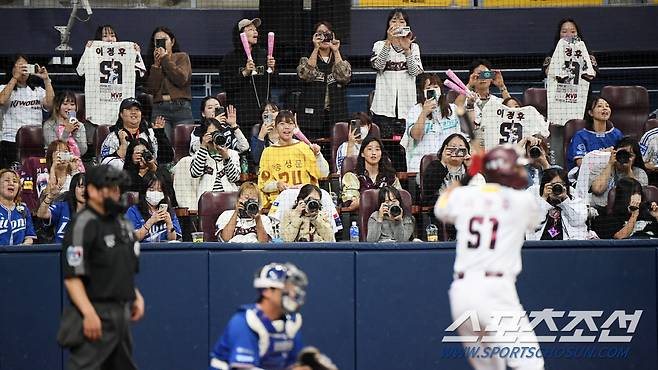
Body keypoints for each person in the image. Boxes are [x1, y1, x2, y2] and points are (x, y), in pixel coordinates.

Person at [434, 145, 545, 370]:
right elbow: (535, 215)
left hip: (461, 293)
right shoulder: (521, 202)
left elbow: (440, 207)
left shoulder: (465, 196)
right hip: (496, 291)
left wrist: (467, 176)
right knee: (530, 364)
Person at [58, 164, 144, 369]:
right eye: (109, 188)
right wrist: (88, 313)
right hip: (95, 312)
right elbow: (72, 277)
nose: (115, 193)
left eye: (117, 189)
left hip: (122, 313)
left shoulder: (122, 223)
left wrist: (135, 294)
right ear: (93, 191)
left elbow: (123, 268)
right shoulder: (82, 224)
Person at [209, 262, 308, 370]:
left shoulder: (290, 324)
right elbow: (243, 368)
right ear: (266, 291)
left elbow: (293, 366)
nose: (292, 294)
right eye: (286, 288)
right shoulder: (246, 321)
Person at [258, 110, 329, 208]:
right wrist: (277, 185)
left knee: (326, 196)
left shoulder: (304, 148)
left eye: (290, 123)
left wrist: (317, 155)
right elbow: (263, 185)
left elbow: (324, 174)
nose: (286, 127)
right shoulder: (268, 152)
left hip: (306, 199)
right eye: (282, 124)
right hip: (282, 200)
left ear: (294, 127)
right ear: (275, 126)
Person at [370, 8, 423, 138]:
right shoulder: (379, 45)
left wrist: (407, 50)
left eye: (401, 21)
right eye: (394, 21)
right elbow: (378, 65)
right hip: (383, 108)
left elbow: (415, 71)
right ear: (388, 25)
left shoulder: (414, 47)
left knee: (406, 146)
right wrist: (388, 42)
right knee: (385, 147)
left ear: (407, 26)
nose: (397, 24)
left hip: (407, 108)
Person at [296, 21, 351, 139]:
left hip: (336, 116)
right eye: (320, 34)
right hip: (311, 118)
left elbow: (345, 77)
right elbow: (305, 75)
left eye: (327, 34)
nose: (324, 37)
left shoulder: (340, 57)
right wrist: (315, 49)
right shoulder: (306, 57)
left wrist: (336, 51)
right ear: (314, 37)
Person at [220, 18, 277, 131]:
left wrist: (272, 69)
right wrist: (244, 73)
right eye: (250, 29)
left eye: (256, 29)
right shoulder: (230, 58)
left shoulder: (264, 54)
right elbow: (226, 85)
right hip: (241, 116)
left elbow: (275, 82)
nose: (255, 32)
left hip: (265, 115)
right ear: (241, 34)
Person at [403, 73, 466, 173]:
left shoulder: (453, 110)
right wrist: (424, 112)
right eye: (428, 87)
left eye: (436, 87)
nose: (432, 90)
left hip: (450, 165)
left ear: (441, 90)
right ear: (422, 92)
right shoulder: (415, 110)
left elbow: (464, 135)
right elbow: (416, 135)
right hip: (420, 166)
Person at [0, 54, 54, 169]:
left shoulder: (37, 90)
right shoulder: (3, 88)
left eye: (26, 66)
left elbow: (50, 105)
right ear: (12, 69)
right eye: (20, 66)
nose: (23, 70)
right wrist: (15, 78)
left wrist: (46, 79)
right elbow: (2, 100)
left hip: (35, 141)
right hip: (11, 141)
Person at [146, 26, 193, 139]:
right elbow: (152, 89)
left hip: (182, 108)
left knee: (185, 144)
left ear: (172, 42)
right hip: (160, 110)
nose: (161, 43)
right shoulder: (151, 62)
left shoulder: (182, 57)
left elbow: (181, 79)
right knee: (162, 145)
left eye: (164, 40)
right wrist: (156, 66)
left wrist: (165, 59)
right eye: (157, 41)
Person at [101, 97, 173, 168]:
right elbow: (106, 164)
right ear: (121, 114)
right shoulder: (114, 137)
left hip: (149, 175)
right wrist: (123, 146)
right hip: (123, 176)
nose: (133, 112)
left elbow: (167, 159)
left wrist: (160, 135)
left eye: (137, 109)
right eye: (129, 109)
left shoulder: (151, 134)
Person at [526, 168, 589, 240]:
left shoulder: (573, 195)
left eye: (561, 185)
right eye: (552, 185)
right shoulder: (534, 193)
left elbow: (578, 221)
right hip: (540, 245)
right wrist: (544, 199)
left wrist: (565, 200)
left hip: (569, 245)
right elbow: (533, 224)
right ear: (545, 185)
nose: (557, 187)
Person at [341, 136, 400, 211]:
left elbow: (399, 199)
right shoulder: (353, 176)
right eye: (369, 149)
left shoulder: (390, 177)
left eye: (377, 149)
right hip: (362, 217)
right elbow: (351, 205)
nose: (374, 153)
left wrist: (366, 200)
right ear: (362, 153)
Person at [589, 136, 648, 209]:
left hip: (624, 211)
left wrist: (628, 170)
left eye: (629, 155)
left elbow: (635, 197)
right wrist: (610, 164)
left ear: (636, 158)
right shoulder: (601, 166)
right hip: (598, 210)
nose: (624, 156)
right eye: (621, 153)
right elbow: (597, 189)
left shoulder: (640, 173)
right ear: (615, 152)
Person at [421, 133, 478, 207]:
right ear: (445, 149)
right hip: (441, 208)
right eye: (453, 147)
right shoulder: (435, 165)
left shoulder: (469, 168)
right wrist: (443, 162)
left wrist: (470, 168)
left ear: (466, 151)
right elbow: (428, 191)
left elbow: (477, 192)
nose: (456, 150)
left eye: (460, 148)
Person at [566, 96, 623, 170]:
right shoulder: (580, 136)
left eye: (607, 106)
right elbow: (581, 163)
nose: (605, 108)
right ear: (591, 113)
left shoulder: (617, 134)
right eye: (599, 106)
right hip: (588, 175)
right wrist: (602, 154)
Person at [190, 118, 241, 199]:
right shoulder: (199, 154)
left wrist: (226, 157)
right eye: (211, 134)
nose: (214, 136)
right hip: (206, 201)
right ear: (204, 135)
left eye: (216, 133)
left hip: (228, 200)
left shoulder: (232, 154)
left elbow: (234, 178)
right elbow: (195, 173)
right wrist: (203, 147)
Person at [591, 177, 656, 239]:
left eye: (639, 193)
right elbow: (620, 237)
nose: (637, 198)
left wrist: (656, 216)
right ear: (623, 197)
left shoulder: (646, 211)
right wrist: (634, 215)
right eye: (633, 194)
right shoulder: (608, 219)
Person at [125, 171, 181, 242]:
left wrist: (169, 223)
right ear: (144, 191)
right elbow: (132, 238)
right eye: (151, 190)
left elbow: (173, 240)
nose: (155, 193)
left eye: (160, 190)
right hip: (144, 251)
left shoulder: (169, 211)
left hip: (164, 250)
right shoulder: (133, 211)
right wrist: (150, 222)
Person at [36, 173, 86, 243]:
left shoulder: (98, 212)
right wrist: (50, 196)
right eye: (81, 186)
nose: (84, 190)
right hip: (59, 251)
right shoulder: (63, 207)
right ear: (73, 188)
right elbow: (41, 214)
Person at [464, 59, 511, 129]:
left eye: (486, 74)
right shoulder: (465, 101)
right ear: (472, 77)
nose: (482, 78)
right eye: (479, 75)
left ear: (491, 78)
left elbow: (512, 109)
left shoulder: (498, 101)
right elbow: (457, 107)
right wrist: (469, 85)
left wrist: (502, 86)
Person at [42, 90, 88, 160]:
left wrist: (75, 132)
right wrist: (66, 132)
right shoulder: (49, 125)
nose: (69, 107)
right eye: (65, 104)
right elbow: (56, 150)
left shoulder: (80, 126)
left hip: (75, 163)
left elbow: (82, 151)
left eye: (72, 105)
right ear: (57, 106)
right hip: (55, 162)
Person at [0, 168, 36, 245]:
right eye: (7, 180)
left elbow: (29, 238)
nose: (11, 183)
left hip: (18, 255)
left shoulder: (24, 209)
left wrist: (22, 247)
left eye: (15, 181)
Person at [250, 102, 280, 166]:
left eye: (273, 111)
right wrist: (261, 136)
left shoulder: (286, 133)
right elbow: (256, 159)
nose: (269, 114)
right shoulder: (257, 135)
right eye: (266, 112)